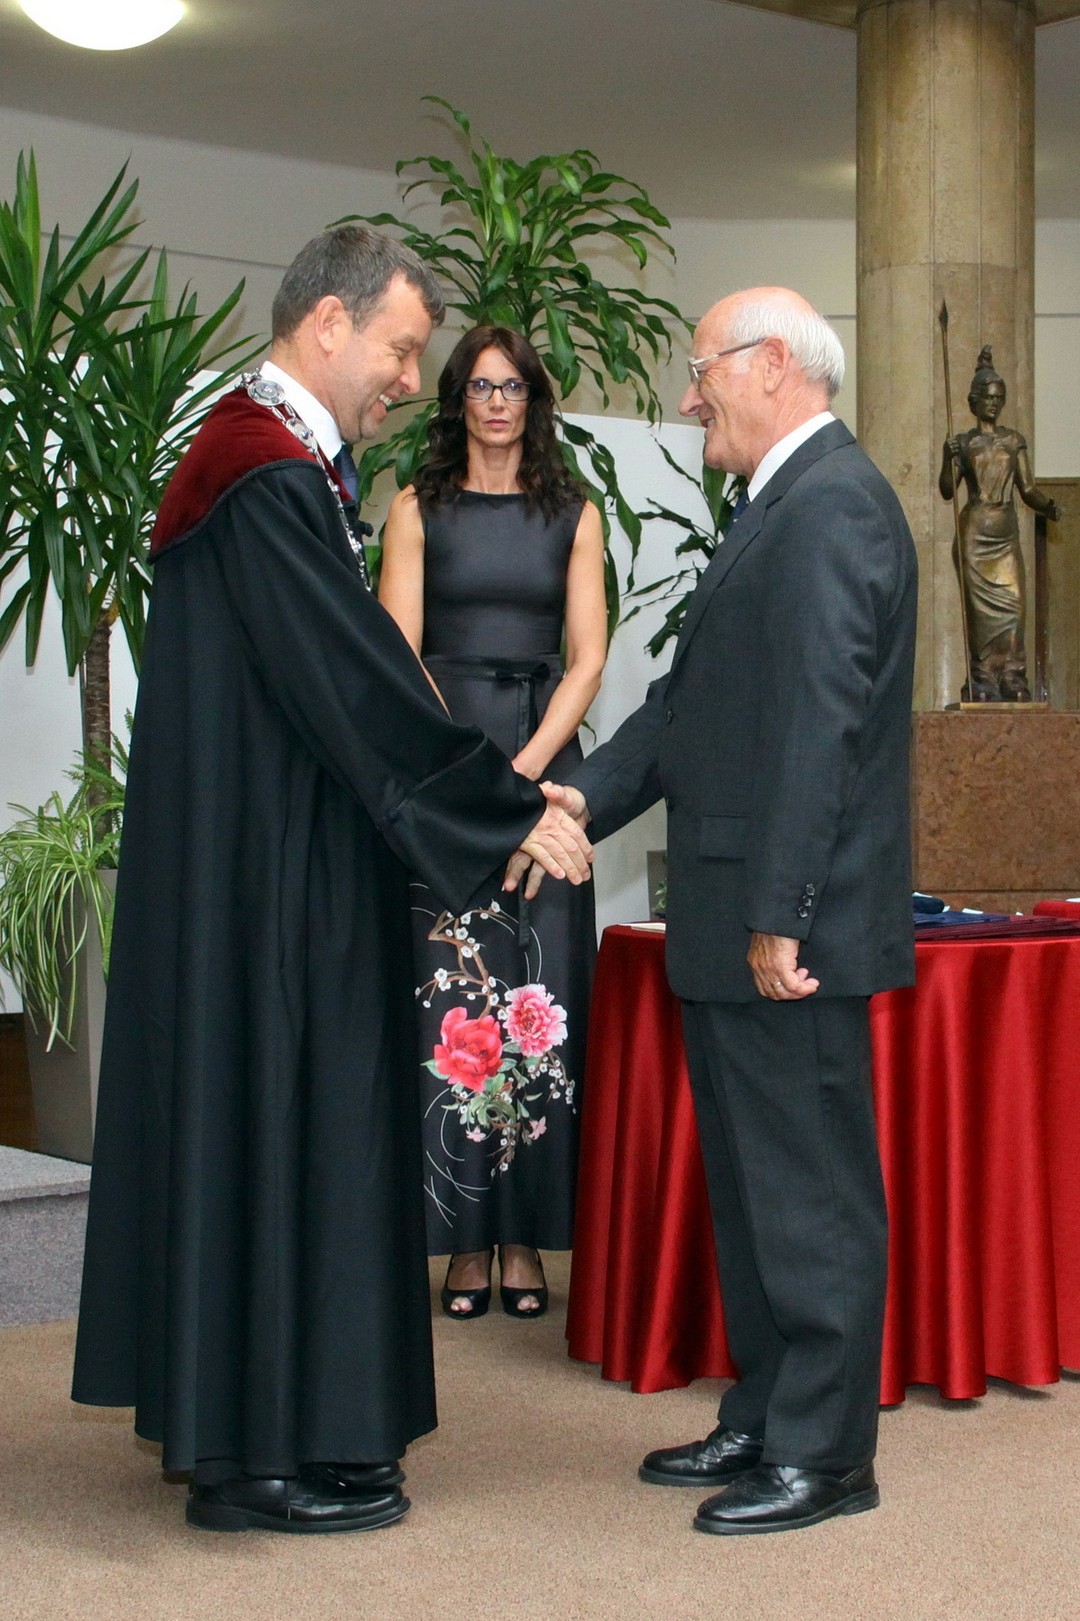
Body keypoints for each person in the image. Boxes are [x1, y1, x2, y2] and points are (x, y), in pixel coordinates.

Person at [70, 227, 593, 1536]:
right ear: (327, 325)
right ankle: (253, 1459)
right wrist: (508, 809)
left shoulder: (272, 466)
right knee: (275, 1131)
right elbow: (357, 682)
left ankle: (306, 1429)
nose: (413, 381)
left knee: (294, 1137)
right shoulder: (259, 476)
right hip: (264, 887)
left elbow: (338, 683)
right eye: (403, 351)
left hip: (272, 864)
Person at [534, 287, 918, 1535]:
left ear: (770, 367)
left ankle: (827, 1455)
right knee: (757, 1196)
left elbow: (821, 726)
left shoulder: (834, 505)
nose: (690, 396)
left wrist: (783, 911)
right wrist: (580, 797)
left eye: (702, 370)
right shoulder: (777, 505)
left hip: (782, 932)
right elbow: (689, 709)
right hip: (738, 919)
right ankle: (765, 1413)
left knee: (810, 1198)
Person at [379, 327, 606, 1319]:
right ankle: (465, 1240)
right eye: (481, 385)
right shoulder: (414, 508)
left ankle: (525, 1238)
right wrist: (475, 781)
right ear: (458, 400)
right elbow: (398, 655)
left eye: (514, 386)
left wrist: (520, 777)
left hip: (547, 773)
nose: (499, 401)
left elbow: (588, 658)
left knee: (541, 995)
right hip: (445, 770)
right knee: (456, 1001)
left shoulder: (575, 512)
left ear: (534, 401)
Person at [939, 344, 1059, 702]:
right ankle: (983, 680)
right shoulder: (964, 443)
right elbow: (947, 490)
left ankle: (1012, 677)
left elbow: (1029, 489)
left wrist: (1049, 506)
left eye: (999, 398)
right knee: (979, 617)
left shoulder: (1013, 441)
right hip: (975, 534)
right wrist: (947, 458)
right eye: (988, 397)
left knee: (1014, 607)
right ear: (973, 401)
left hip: (1005, 534)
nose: (994, 403)